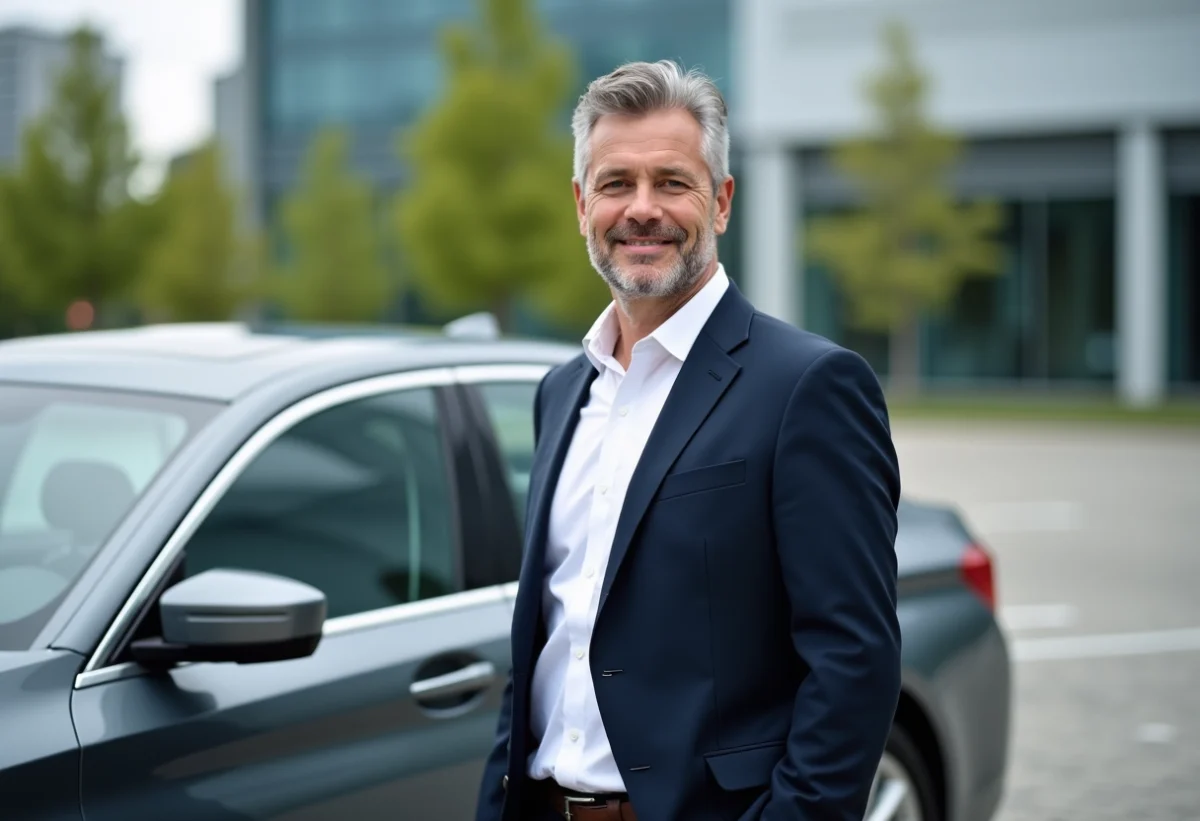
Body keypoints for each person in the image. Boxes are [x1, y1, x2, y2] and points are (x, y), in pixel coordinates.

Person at [475, 60, 902, 821]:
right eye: (616, 184)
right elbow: (552, 631)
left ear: (723, 200)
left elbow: (853, 663)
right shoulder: (562, 392)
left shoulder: (808, 387)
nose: (642, 209)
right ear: (581, 205)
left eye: (672, 182)